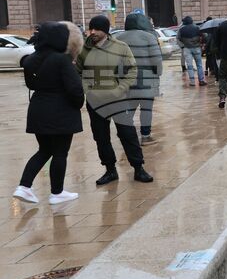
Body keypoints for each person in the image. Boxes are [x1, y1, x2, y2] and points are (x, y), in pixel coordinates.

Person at [13, 22, 85, 205]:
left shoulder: (31, 59)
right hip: (60, 112)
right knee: (61, 152)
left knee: (44, 150)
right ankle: (57, 192)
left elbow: (32, 85)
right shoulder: (62, 59)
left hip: (38, 109)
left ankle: (24, 186)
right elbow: (75, 88)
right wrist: (77, 104)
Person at [77, 15, 154, 185]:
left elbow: (132, 70)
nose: (94, 32)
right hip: (95, 102)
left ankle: (138, 168)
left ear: (106, 30)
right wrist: (87, 90)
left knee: (128, 134)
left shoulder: (120, 47)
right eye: (92, 28)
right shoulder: (84, 49)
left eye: (97, 29)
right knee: (101, 137)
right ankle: (110, 170)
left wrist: (121, 88)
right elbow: (78, 72)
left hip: (119, 100)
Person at [118, 13, 162, 145]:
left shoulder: (118, 38)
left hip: (127, 81)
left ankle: (125, 134)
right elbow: (157, 59)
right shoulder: (149, 37)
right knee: (146, 109)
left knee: (129, 109)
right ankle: (146, 136)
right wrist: (158, 74)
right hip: (147, 80)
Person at [177, 16, 206, 86]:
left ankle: (192, 81)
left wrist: (182, 46)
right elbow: (204, 35)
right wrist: (201, 44)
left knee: (189, 66)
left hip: (187, 49)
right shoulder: (197, 28)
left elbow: (178, 39)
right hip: (197, 48)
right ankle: (201, 80)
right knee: (199, 65)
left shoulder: (181, 29)